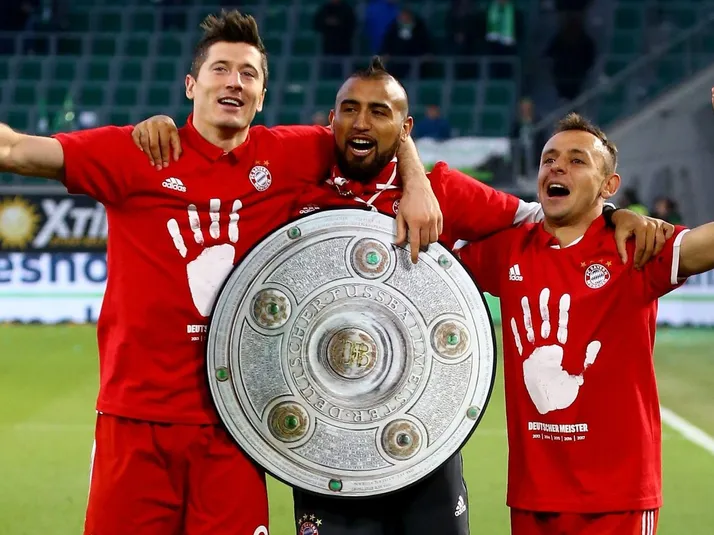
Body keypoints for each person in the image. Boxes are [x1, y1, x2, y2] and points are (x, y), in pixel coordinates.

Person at [133, 57, 672, 535]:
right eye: (350, 109)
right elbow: (224, 155)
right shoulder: (293, 186)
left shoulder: (445, 190)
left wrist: (613, 215)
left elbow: (544, 217)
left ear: (404, 128)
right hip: (327, 449)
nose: (362, 122)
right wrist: (169, 130)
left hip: (422, 442)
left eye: (380, 112)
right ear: (331, 120)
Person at [0, 11, 442, 535]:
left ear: (261, 96)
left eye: (248, 74)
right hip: (135, 421)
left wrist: (417, 180)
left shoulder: (290, 154)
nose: (234, 81)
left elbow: (375, 130)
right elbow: (14, 149)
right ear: (192, 85)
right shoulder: (137, 152)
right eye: (221, 69)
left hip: (235, 426)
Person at [457, 111, 714, 535]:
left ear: (609, 185)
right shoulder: (508, 249)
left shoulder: (633, 247)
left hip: (616, 499)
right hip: (533, 497)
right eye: (549, 159)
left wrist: (618, 217)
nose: (557, 167)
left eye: (577, 160)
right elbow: (428, 250)